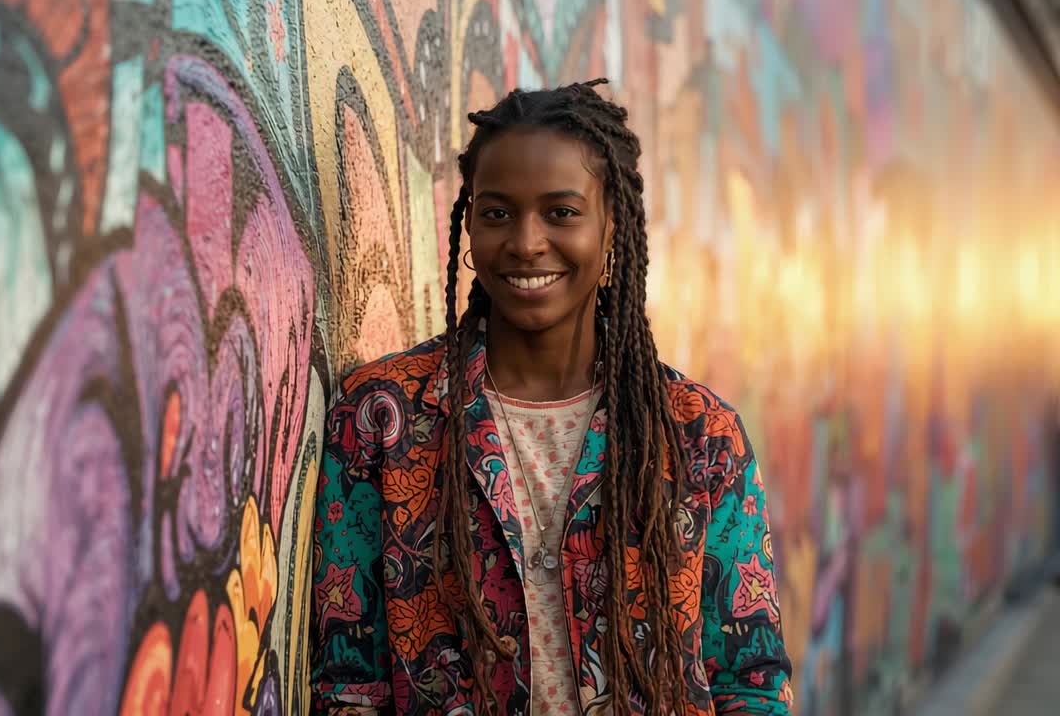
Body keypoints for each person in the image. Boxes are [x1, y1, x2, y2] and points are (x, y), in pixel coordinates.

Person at [310, 80, 793, 715]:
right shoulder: (382, 420)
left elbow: (749, 680)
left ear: (613, 225)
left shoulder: (699, 435)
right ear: (469, 222)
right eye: (497, 213)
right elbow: (349, 684)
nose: (526, 242)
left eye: (561, 212)